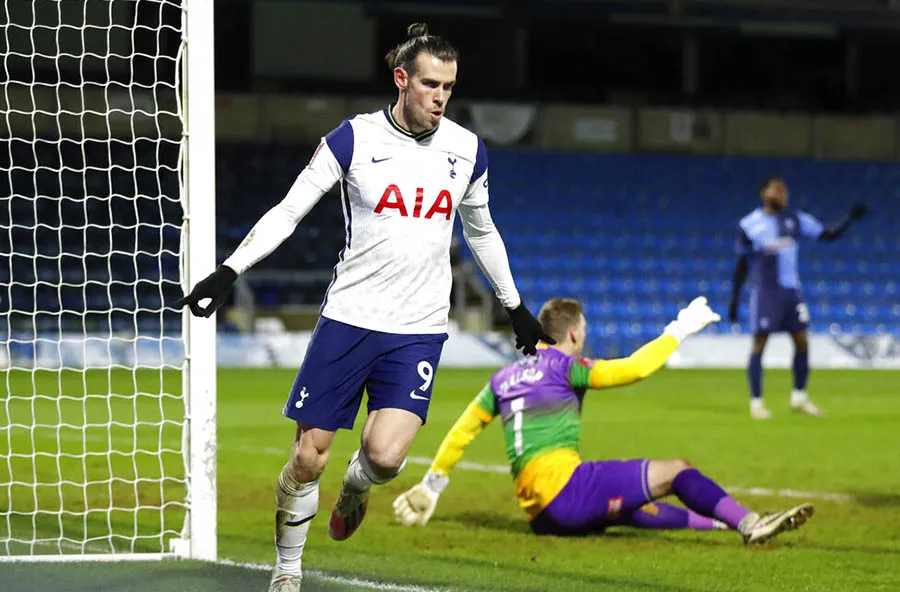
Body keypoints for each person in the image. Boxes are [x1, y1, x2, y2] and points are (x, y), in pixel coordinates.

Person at [177, 23, 553, 592]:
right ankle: (287, 570)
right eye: (430, 84)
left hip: (419, 328)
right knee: (308, 458)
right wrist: (231, 269)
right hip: (349, 320)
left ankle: (356, 486)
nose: (441, 97)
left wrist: (515, 305)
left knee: (385, 459)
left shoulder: (466, 149)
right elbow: (289, 210)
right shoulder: (352, 139)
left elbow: (482, 231)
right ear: (401, 79)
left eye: (448, 87)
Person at [393, 297, 814, 544]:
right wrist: (679, 329)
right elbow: (634, 369)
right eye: (585, 329)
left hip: (541, 517)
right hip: (568, 493)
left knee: (629, 507)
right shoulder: (565, 367)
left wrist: (432, 484)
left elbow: (463, 430)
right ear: (574, 334)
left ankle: (721, 521)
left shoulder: (502, 378)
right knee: (678, 471)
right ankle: (750, 523)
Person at [728, 177, 867, 419]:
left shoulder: (795, 219)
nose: (783, 194)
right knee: (760, 343)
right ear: (764, 193)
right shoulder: (749, 224)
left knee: (802, 342)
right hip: (766, 292)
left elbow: (828, 234)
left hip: (792, 292)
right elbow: (741, 265)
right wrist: (734, 299)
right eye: (777, 189)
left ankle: (799, 398)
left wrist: (849, 218)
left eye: (785, 191)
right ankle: (757, 402)